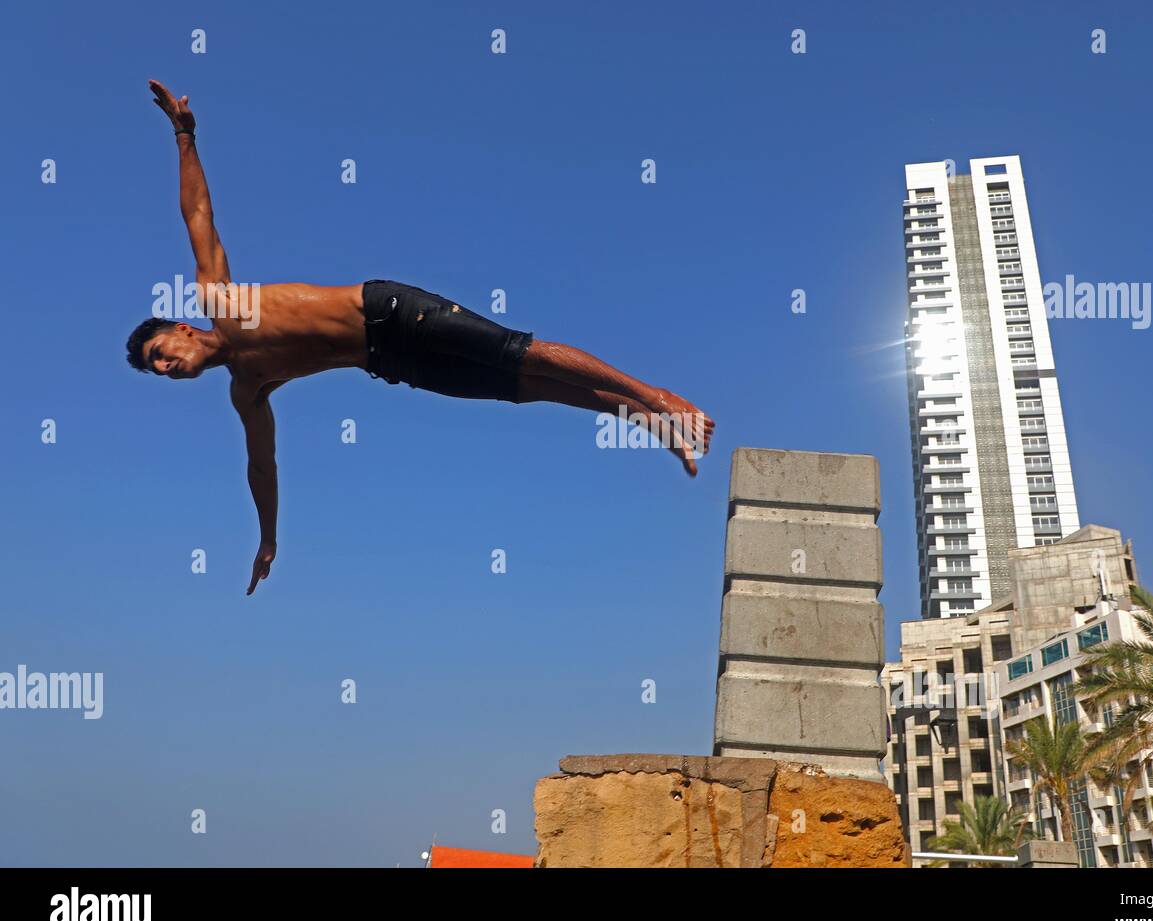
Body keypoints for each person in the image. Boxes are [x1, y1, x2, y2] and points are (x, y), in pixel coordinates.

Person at [128, 80, 714, 595]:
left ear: (180, 328)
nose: (165, 367)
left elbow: (198, 214)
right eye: (158, 370)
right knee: (525, 387)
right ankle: (652, 421)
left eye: (160, 353)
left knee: (520, 351)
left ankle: (657, 395)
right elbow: (262, 466)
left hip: (390, 311)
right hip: (390, 361)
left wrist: (184, 138)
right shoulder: (247, 389)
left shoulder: (219, 301)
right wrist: (268, 540)